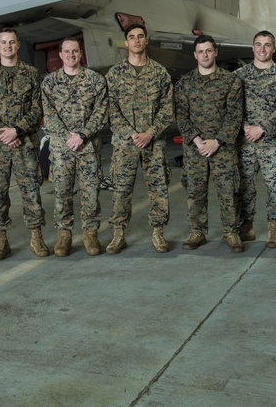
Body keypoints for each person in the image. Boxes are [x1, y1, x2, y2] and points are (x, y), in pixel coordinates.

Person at [0, 27, 49, 259]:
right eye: (3, 42)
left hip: (25, 145)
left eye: (12, 42)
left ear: (18, 46)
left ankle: (36, 237)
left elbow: (38, 108)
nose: (7, 46)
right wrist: (4, 135)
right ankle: (1, 240)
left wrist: (17, 130)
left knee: (32, 192)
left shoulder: (32, 74)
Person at [105, 23, 174, 254]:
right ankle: (118, 235)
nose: (136, 41)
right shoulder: (114, 74)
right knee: (121, 190)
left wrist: (150, 132)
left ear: (146, 41)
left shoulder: (159, 73)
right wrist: (130, 133)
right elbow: (110, 109)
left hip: (153, 143)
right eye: (132, 37)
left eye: (140, 36)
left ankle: (158, 233)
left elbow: (167, 108)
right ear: (126, 43)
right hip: (125, 144)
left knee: (158, 189)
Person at [175, 35, 245, 252]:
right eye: (201, 51)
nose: (205, 55)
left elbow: (235, 115)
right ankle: (197, 232)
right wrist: (197, 140)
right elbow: (181, 115)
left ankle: (231, 232)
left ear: (215, 52)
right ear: (195, 55)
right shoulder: (185, 83)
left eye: (208, 50)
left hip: (222, 148)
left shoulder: (231, 81)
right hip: (195, 149)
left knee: (228, 191)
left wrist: (217, 141)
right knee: (195, 192)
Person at [41, 37, 109, 257]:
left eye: (75, 51)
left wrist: (82, 135)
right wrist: (66, 136)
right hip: (61, 150)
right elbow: (48, 115)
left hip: (88, 148)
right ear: (60, 55)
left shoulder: (95, 81)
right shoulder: (49, 83)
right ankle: (64, 235)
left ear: (81, 54)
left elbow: (101, 112)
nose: (71, 55)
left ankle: (90, 234)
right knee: (62, 193)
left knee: (91, 193)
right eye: (66, 51)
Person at [235, 30, 276, 248]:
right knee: (244, 186)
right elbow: (232, 107)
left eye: (267, 45)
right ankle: (247, 225)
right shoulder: (239, 76)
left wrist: (262, 128)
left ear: (274, 48)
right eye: (258, 45)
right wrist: (244, 128)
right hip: (245, 142)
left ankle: (274, 227)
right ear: (252, 48)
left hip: (272, 142)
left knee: (275, 186)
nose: (262, 49)